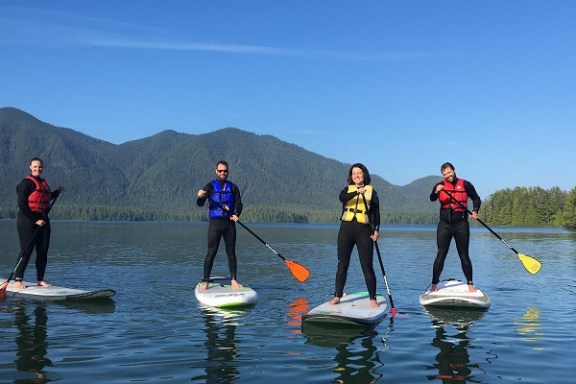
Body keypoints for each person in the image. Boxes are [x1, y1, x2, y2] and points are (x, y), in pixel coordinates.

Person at [330, 163, 380, 309]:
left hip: (364, 231)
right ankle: (337, 296)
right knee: (342, 265)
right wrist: (358, 192)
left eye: (359, 173)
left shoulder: (372, 192)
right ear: (351, 176)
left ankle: (373, 298)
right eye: (354, 173)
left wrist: (376, 230)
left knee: (367, 266)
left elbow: (376, 213)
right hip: (346, 230)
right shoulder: (347, 190)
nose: (357, 175)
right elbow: (342, 198)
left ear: (364, 174)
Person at [429, 162, 481, 293]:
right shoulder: (439, 185)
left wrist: (475, 210)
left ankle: (470, 284)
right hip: (444, 225)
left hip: (461, 224)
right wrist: (437, 191)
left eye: (449, 172)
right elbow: (432, 198)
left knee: (464, 255)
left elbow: (476, 198)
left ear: (454, 170)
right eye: (445, 174)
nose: (447, 175)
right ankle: (434, 284)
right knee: (441, 254)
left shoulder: (465, 184)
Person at [14, 157, 64, 290]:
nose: (38, 169)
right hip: (27, 220)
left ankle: (40, 279)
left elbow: (45, 197)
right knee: (27, 250)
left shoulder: (43, 182)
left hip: (43, 220)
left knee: (43, 251)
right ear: (30, 167)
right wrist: (35, 220)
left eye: (40, 167)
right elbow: (21, 204)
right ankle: (18, 279)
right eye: (35, 166)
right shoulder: (26, 183)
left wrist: (56, 192)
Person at [197, 160, 243, 290]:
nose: (223, 173)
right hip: (215, 225)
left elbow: (239, 204)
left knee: (231, 253)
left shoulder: (233, 187)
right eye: (220, 171)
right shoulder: (210, 186)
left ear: (228, 172)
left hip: (229, 225)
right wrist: (200, 196)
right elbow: (199, 203)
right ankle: (205, 281)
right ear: (216, 171)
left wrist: (237, 214)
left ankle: (234, 280)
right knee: (211, 252)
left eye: (225, 171)